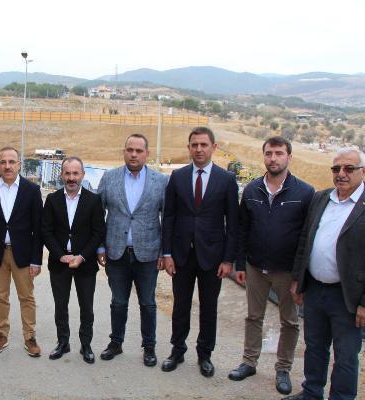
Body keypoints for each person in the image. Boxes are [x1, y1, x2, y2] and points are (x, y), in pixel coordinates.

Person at [228, 136, 314, 395]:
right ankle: (249, 362)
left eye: (279, 153)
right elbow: (243, 229)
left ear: (289, 157)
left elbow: (306, 237)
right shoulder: (252, 190)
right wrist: (240, 264)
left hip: (287, 272)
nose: (273, 158)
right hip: (255, 267)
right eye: (269, 153)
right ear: (263, 156)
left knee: (290, 321)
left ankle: (283, 369)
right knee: (254, 317)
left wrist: (299, 276)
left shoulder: (304, 192)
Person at [283, 148, 365, 400]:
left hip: (348, 297)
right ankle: (311, 392)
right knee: (315, 347)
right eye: (336, 168)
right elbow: (305, 240)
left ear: (362, 171)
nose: (341, 174)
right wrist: (298, 280)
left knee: (345, 355)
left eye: (349, 168)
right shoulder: (321, 198)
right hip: (315, 289)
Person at [161, 126, 239, 377]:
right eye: (194, 145)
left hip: (212, 257)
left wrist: (228, 260)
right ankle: (177, 350)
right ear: (189, 148)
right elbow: (169, 216)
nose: (199, 149)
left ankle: (205, 354)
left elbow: (233, 223)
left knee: (208, 308)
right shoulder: (178, 177)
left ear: (213, 147)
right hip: (181, 255)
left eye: (204, 145)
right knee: (180, 306)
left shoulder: (226, 180)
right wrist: (167, 253)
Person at [97, 133, 169, 367]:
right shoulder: (109, 178)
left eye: (139, 151)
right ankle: (116, 343)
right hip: (116, 253)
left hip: (148, 254)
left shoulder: (161, 181)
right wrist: (100, 246)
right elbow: (97, 215)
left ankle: (149, 347)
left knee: (148, 303)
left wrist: (164, 252)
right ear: (124, 152)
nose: (134, 154)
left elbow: (167, 218)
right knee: (118, 302)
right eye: (130, 150)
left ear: (147, 153)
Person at [0, 147, 43, 357]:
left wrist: (36, 260)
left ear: (19, 165)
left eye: (12, 162)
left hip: (23, 254)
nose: (7, 166)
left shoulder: (31, 190)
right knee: (0, 297)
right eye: (3, 162)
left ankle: (30, 337)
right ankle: (1, 335)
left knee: (27, 297)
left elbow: (38, 229)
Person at [42, 156, 105, 363]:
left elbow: (98, 232)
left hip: (85, 264)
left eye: (75, 173)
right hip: (59, 263)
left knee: (86, 307)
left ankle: (86, 345)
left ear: (82, 175)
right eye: (67, 173)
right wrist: (60, 255)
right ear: (61, 175)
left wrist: (82, 256)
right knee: (61, 306)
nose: (71, 178)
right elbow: (46, 231)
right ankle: (63, 342)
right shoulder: (52, 200)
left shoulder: (93, 200)